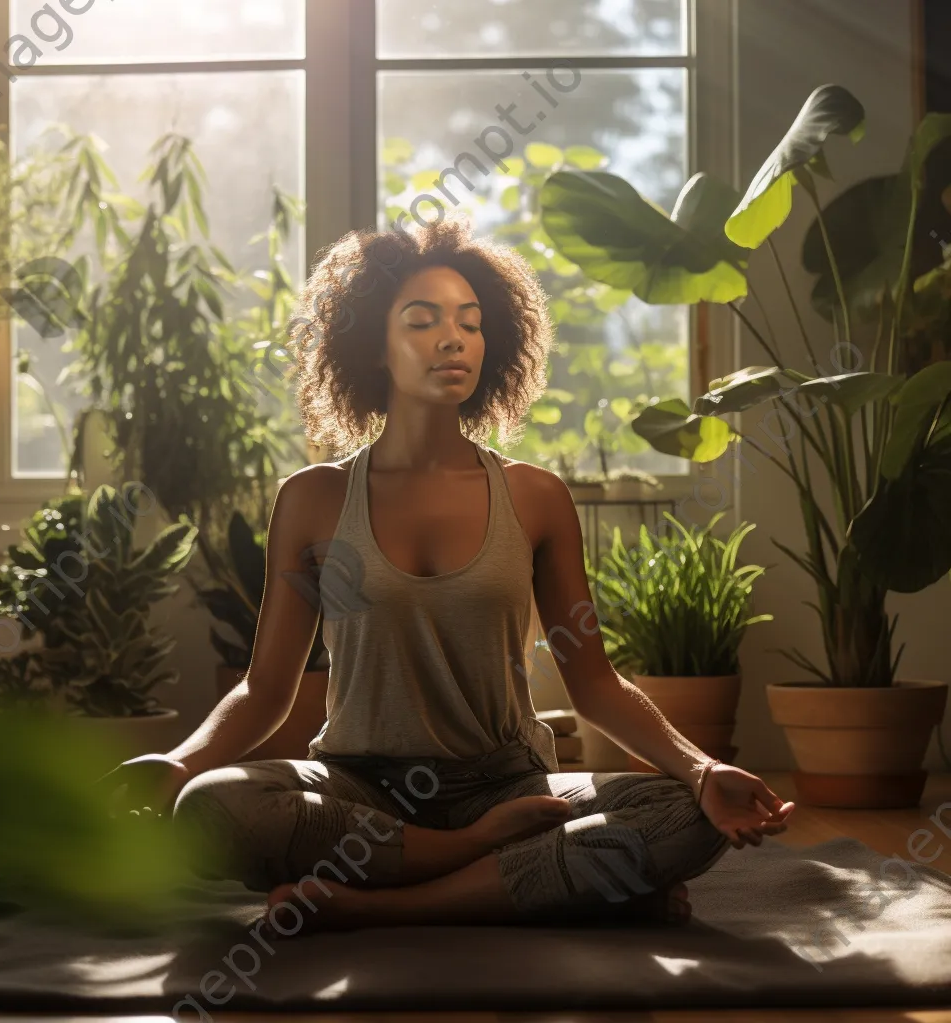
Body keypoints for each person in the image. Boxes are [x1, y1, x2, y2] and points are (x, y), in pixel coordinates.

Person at [101, 215, 794, 937]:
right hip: (357, 788)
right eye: (423, 320)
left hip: (508, 783)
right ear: (373, 344)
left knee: (685, 817)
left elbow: (594, 682)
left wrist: (703, 770)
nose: (452, 338)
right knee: (214, 804)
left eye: (470, 321)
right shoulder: (313, 499)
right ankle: (501, 870)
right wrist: (179, 764)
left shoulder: (536, 497)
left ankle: (383, 904)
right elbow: (266, 690)